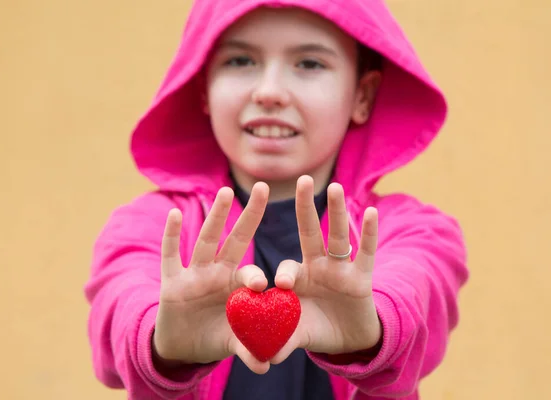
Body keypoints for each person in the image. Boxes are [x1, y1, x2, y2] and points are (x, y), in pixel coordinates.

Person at [83, 0, 469, 399]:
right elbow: (121, 300)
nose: (269, 92)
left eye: (309, 64)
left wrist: (373, 328)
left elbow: (419, 286)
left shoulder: (413, 230)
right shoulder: (153, 224)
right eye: (239, 61)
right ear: (203, 89)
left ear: (362, 96)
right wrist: (161, 339)